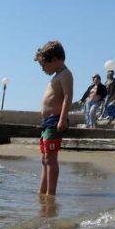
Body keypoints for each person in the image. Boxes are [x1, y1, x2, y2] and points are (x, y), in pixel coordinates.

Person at [34, 40, 73, 196]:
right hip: (47, 123)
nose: (43, 69)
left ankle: (51, 194)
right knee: (45, 159)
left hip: (55, 121)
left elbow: (68, 97)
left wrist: (62, 119)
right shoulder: (57, 76)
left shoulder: (65, 74)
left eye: (44, 65)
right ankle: (42, 192)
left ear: (55, 59)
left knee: (50, 159)